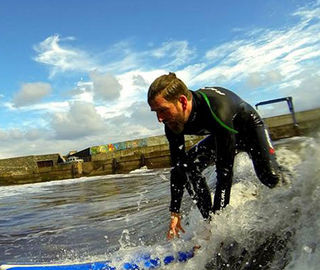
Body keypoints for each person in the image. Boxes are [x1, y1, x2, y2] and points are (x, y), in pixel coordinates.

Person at [147, 72, 283, 239]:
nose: (159, 119)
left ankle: (296, 191)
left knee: (271, 178)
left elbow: (224, 172)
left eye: (162, 110)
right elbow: (178, 169)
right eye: (155, 112)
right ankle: (209, 220)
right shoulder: (171, 123)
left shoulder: (216, 109)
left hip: (249, 129)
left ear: (182, 101)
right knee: (189, 167)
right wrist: (175, 211)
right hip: (223, 134)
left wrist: (219, 224)